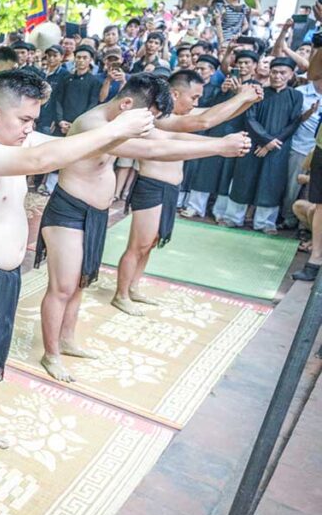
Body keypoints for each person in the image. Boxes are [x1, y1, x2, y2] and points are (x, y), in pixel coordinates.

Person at [0, 69, 154, 480]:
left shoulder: (17, 141)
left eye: (33, 121)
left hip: (3, 273)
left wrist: (121, 135)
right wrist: (117, 125)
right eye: (24, 120)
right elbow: (39, 159)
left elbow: (66, 148)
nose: (30, 128)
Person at [34, 73, 251, 382]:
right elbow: (150, 151)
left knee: (81, 282)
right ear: (126, 104)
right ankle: (51, 353)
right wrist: (218, 147)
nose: (149, 125)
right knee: (63, 286)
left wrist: (218, 142)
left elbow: (167, 139)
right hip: (69, 210)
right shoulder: (93, 125)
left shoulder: (124, 119)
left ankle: (66, 339)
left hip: (96, 213)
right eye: (147, 118)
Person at [111, 71, 261, 315]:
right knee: (138, 245)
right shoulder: (158, 118)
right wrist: (241, 97)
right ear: (175, 94)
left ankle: (133, 286)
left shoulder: (178, 115)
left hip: (170, 188)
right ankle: (121, 294)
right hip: (152, 186)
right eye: (194, 97)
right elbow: (204, 122)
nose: (197, 103)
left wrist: (246, 101)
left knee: (150, 243)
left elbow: (211, 116)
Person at [222, 57, 307, 233]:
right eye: (274, 72)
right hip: (254, 144)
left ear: (291, 74)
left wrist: (271, 143)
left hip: (277, 148)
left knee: (271, 183)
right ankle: (233, 218)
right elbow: (249, 117)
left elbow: (294, 122)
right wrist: (264, 139)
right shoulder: (257, 92)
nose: (278, 76)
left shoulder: (296, 96)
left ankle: (265, 223)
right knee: (244, 178)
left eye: (283, 73)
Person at [184, 49, 261, 221]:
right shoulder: (226, 82)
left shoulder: (256, 87)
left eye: (247, 63)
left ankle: (220, 211)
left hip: (239, 131)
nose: (243, 66)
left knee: (228, 174)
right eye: (240, 63)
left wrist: (242, 94)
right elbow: (211, 107)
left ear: (255, 66)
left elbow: (253, 113)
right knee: (205, 168)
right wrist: (224, 91)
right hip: (218, 129)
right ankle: (195, 206)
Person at [285, 73, 322, 228]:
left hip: (318, 148)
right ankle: (287, 219)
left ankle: (304, 228)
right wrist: (308, 114)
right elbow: (290, 119)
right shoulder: (299, 92)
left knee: (314, 193)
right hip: (300, 146)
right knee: (292, 187)